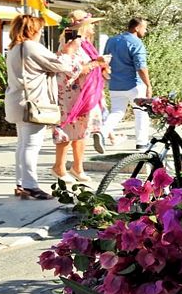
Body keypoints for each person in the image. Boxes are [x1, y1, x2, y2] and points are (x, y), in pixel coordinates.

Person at [5, 14, 79, 200]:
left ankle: (21, 183)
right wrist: (68, 51)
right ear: (33, 30)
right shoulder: (30, 46)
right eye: (40, 29)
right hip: (32, 104)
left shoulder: (15, 48)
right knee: (31, 146)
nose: (41, 33)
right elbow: (60, 65)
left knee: (23, 145)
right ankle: (30, 186)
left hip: (17, 101)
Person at [52, 10, 110, 184]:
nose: (93, 27)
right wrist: (96, 64)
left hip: (84, 92)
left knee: (82, 130)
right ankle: (59, 167)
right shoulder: (71, 41)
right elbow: (73, 68)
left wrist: (101, 66)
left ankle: (78, 167)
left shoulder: (84, 43)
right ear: (82, 26)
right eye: (91, 24)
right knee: (68, 130)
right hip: (72, 93)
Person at [102, 17, 152, 150]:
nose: (145, 31)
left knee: (117, 112)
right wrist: (148, 85)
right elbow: (141, 67)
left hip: (115, 84)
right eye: (144, 27)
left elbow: (104, 61)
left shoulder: (111, 41)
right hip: (134, 84)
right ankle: (141, 143)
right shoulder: (136, 43)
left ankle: (102, 132)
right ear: (136, 28)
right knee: (141, 112)